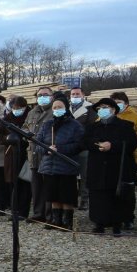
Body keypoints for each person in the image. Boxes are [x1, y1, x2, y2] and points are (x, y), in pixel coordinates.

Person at [84, 97, 137, 235]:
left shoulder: (126, 125)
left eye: (105, 107)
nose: (102, 110)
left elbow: (131, 143)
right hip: (97, 166)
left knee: (117, 196)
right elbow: (84, 142)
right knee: (98, 196)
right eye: (99, 108)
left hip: (117, 166)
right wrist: (97, 144)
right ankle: (99, 223)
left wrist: (112, 145)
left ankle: (117, 224)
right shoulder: (92, 126)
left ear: (113, 110)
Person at [34, 93, 84, 231]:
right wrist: (46, 149)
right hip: (49, 165)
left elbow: (80, 144)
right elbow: (37, 143)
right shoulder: (47, 125)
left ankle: (67, 220)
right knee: (52, 194)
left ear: (66, 108)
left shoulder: (75, 125)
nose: (57, 109)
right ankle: (55, 220)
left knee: (66, 194)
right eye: (55, 107)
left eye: (60, 107)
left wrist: (60, 149)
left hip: (67, 165)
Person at [110, 91, 137, 229]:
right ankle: (114, 215)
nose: (116, 105)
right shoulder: (109, 113)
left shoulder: (134, 115)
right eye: (114, 102)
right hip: (111, 156)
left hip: (130, 157)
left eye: (119, 102)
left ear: (126, 103)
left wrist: (128, 139)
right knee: (112, 188)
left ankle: (128, 217)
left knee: (127, 187)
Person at [25, 85, 55, 222]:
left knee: (49, 186)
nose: (42, 97)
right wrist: (25, 134)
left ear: (52, 96)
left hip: (48, 154)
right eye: (40, 95)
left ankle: (50, 215)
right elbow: (25, 127)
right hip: (33, 154)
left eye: (45, 94)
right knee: (36, 186)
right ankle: (38, 213)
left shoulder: (55, 110)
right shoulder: (32, 112)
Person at [0, 95, 32, 219]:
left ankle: (23, 212)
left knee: (24, 184)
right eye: (14, 107)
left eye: (19, 107)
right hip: (11, 154)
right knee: (13, 184)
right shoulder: (7, 118)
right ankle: (14, 211)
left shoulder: (29, 116)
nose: (17, 109)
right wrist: (7, 139)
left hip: (26, 153)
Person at [68, 87, 94, 210]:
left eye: (77, 94)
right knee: (70, 174)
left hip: (83, 146)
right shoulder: (66, 107)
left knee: (84, 174)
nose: (75, 96)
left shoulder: (90, 108)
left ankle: (85, 199)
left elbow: (91, 127)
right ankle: (72, 198)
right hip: (69, 146)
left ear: (83, 95)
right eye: (73, 94)